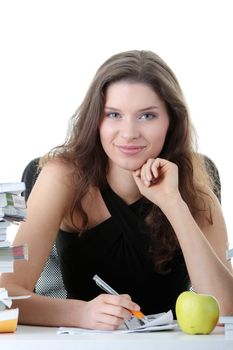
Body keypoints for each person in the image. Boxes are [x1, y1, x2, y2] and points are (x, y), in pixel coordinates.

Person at [1, 50, 232, 330]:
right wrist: (80, 314)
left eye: (147, 115)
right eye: (114, 114)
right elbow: (5, 294)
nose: (129, 132)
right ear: (96, 119)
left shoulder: (194, 179)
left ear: (171, 120)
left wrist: (173, 203)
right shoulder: (61, 174)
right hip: (80, 343)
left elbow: (226, 306)